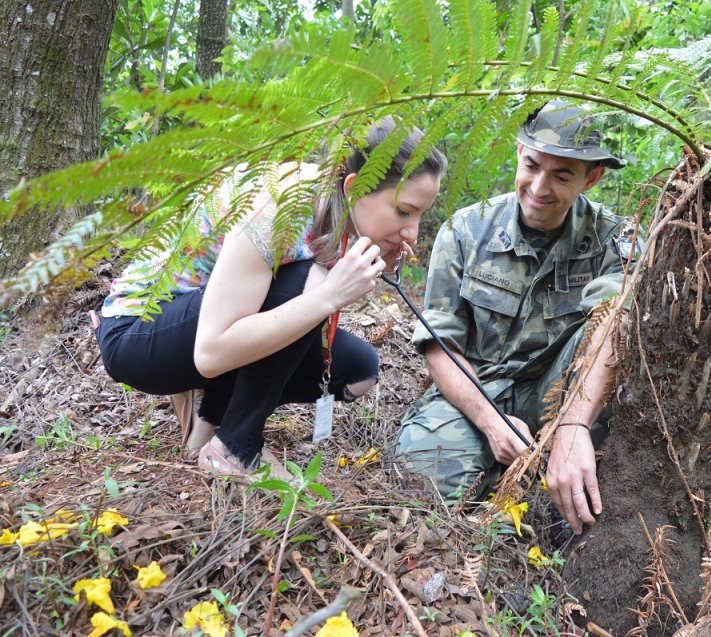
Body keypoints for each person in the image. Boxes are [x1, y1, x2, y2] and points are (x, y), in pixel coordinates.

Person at [93, 118, 447, 479]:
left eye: (420, 214)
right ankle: (235, 448)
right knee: (310, 283)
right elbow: (211, 352)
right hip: (139, 332)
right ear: (355, 187)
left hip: (210, 316)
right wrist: (329, 294)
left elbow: (302, 312)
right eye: (404, 211)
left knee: (356, 372)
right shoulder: (280, 207)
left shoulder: (334, 202)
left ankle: (209, 414)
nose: (413, 232)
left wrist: (345, 284)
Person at [395, 101, 633, 534]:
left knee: (614, 323)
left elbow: (612, 330)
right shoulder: (465, 230)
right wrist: (490, 420)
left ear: (591, 178)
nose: (539, 187)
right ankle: (503, 493)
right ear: (519, 152)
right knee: (425, 476)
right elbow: (438, 344)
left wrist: (573, 425)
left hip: (562, 397)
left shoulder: (612, 241)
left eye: (562, 175)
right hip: (476, 390)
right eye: (532, 165)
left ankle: (551, 489)